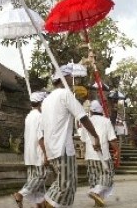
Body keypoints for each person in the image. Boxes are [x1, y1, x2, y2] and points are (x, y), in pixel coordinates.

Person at [40, 65, 101, 208]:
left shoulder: (47, 100)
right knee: (65, 184)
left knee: (70, 185)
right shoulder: (65, 94)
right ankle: (43, 204)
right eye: (72, 77)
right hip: (62, 147)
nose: (73, 80)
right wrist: (95, 136)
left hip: (52, 147)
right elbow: (83, 117)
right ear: (65, 78)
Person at [12, 91, 48, 208]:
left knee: (36, 180)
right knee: (40, 176)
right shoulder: (40, 117)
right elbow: (41, 137)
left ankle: (40, 202)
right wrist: (46, 154)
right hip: (38, 152)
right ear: (41, 103)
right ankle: (20, 194)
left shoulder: (28, 116)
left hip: (29, 152)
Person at [80, 100, 118, 207]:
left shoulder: (85, 122)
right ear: (101, 111)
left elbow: (83, 140)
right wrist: (117, 151)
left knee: (94, 178)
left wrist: (84, 154)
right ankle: (95, 192)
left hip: (89, 155)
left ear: (91, 111)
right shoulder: (106, 121)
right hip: (103, 155)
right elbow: (112, 139)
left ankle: (97, 202)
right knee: (108, 176)